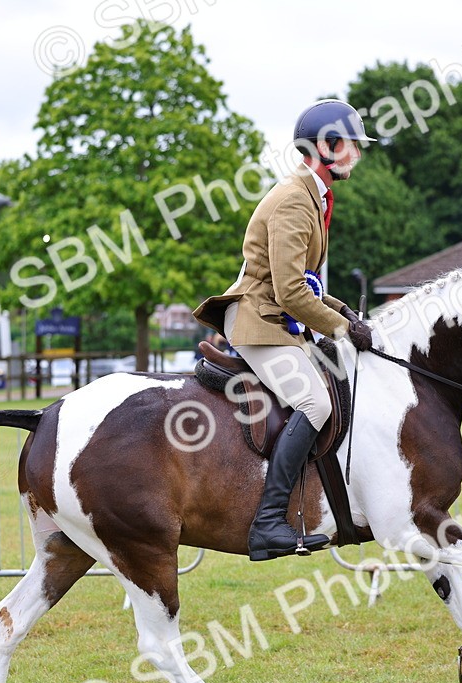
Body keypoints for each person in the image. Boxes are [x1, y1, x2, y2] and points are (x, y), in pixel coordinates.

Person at [193, 99, 375, 561]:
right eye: (352, 146)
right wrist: (340, 329)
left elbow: (304, 285)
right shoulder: (295, 198)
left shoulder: (314, 196)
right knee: (314, 402)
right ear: (328, 146)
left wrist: (345, 313)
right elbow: (292, 292)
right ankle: (269, 522)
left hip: (279, 319)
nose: (357, 154)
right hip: (260, 322)